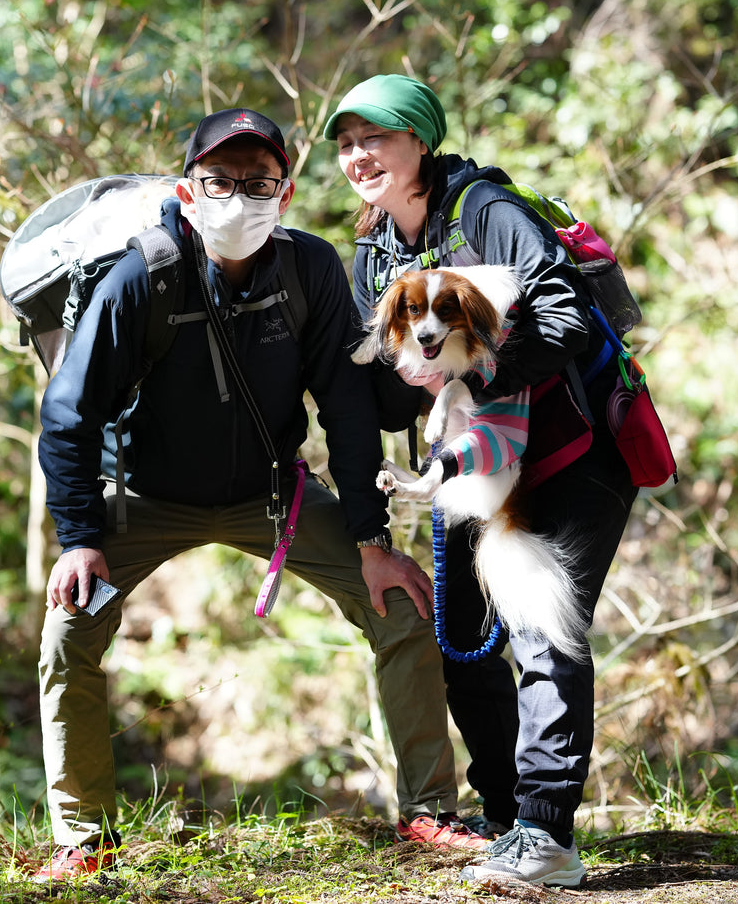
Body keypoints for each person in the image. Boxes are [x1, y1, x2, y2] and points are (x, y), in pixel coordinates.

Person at [32, 107, 494, 882]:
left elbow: (344, 409)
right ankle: (85, 840)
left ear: (282, 195)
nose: (237, 198)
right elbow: (68, 413)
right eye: (218, 181)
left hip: (270, 495)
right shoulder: (139, 276)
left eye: (258, 183)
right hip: (142, 497)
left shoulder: (308, 269)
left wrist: (371, 542)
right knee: (69, 627)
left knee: (405, 604)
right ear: (187, 190)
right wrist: (78, 536)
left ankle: (428, 810)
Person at [324, 75, 640, 888]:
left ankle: (545, 828)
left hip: (567, 456)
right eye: (346, 142)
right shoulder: (374, 253)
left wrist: (477, 369)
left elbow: (566, 318)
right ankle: (506, 818)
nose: (359, 155)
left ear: (419, 140)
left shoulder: (487, 212)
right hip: (472, 466)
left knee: (538, 630)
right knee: (463, 639)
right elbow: (391, 384)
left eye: (378, 137)